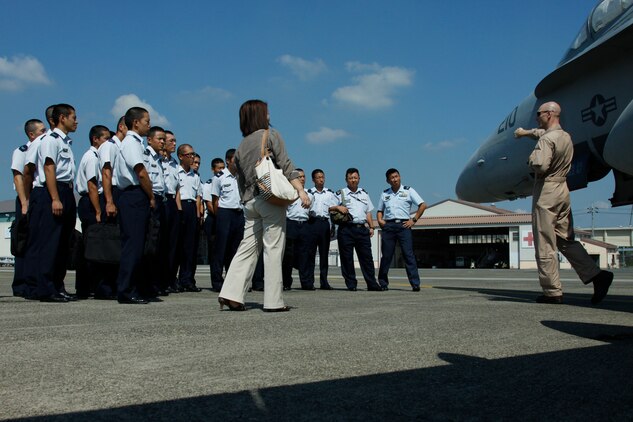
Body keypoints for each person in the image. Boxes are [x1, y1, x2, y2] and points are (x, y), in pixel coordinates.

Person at [514, 101, 613, 304]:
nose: (537, 117)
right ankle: (597, 275)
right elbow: (541, 133)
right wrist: (524, 133)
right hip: (563, 190)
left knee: (544, 242)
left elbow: (540, 165)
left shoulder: (546, 141)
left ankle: (552, 291)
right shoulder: (564, 136)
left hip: (547, 191)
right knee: (566, 239)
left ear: (549, 114)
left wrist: (530, 159)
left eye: (540, 114)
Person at [218, 99, 310, 312]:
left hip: (250, 202)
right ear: (260, 115)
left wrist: (246, 199)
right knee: (273, 248)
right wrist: (301, 190)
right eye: (266, 112)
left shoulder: (242, 145)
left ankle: (230, 294)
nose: (269, 115)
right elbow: (286, 165)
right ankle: (273, 301)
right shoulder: (271, 135)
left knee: (246, 248)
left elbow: (239, 176)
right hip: (269, 199)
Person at [23, 104, 78, 302]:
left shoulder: (65, 142)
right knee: (50, 243)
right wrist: (55, 198)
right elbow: (48, 168)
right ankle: (46, 289)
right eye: (73, 117)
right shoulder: (50, 140)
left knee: (63, 243)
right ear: (62, 118)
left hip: (66, 190)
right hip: (52, 191)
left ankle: (57, 286)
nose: (76, 121)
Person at [113, 107, 155, 304]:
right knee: (133, 244)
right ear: (136, 122)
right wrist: (151, 195)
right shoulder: (131, 142)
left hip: (137, 196)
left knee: (140, 244)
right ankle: (126, 289)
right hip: (134, 195)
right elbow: (141, 172)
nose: (149, 125)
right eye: (147, 121)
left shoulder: (136, 142)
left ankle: (135, 287)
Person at [330, 168, 384, 291]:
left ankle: (372, 284)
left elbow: (368, 212)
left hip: (361, 229)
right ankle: (351, 284)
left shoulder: (364, 193)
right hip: (346, 229)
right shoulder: (340, 193)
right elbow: (329, 208)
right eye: (350, 178)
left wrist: (371, 226)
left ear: (359, 178)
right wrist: (338, 207)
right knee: (347, 258)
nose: (353, 180)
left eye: (355, 177)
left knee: (367, 258)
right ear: (346, 179)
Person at [10, 119, 46, 297]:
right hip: (25, 198)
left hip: (36, 198)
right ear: (31, 134)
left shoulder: (41, 148)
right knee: (23, 241)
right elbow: (18, 177)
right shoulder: (21, 151)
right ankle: (21, 284)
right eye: (41, 131)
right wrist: (25, 202)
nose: (44, 133)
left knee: (36, 241)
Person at [376, 168, 426, 291]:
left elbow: (423, 205)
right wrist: (380, 221)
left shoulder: (409, 191)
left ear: (400, 177)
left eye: (396, 176)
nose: (395, 179)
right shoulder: (385, 193)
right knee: (386, 256)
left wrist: (413, 220)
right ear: (388, 180)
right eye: (392, 178)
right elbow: (379, 211)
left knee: (408, 255)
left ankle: (415, 283)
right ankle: (383, 283)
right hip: (389, 226)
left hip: (404, 226)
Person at [76, 125, 110, 298]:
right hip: (91, 201)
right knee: (92, 245)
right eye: (105, 138)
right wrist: (98, 210)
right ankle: (87, 286)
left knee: (98, 246)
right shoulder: (91, 157)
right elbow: (92, 185)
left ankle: (94, 285)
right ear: (96, 139)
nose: (108, 142)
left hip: (96, 199)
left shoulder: (99, 156)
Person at [210, 150, 245, 292]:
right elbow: (215, 200)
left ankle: (232, 281)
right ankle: (217, 281)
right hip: (225, 213)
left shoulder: (241, 177)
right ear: (228, 161)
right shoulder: (219, 177)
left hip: (239, 213)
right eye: (235, 160)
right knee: (221, 249)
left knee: (235, 250)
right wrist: (220, 217)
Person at [141, 126, 168, 301]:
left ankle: (154, 283)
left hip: (160, 199)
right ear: (149, 140)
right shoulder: (145, 155)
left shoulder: (159, 159)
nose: (163, 142)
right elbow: (145, 177)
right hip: (150, 198)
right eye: (160, 139)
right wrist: (151, 197)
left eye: (164, 139)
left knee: (158, 243)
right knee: (148, 243)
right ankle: (145, 284)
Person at [176, 143, 202, 292]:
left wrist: (198, 215)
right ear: (181, 156)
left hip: (192, 208)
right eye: (189, 154)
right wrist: (179, 211)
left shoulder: (195, 176)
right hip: (180, 207)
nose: (192, 157)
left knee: (191, 247)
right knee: (178, 246)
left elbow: (198, 196)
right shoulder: (176, 172)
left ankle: (188, 279)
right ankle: (176, 279)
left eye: (193, 154)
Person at [306, 169, 338, 290]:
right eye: (318, 177)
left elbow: (333, 210)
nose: (321, 179)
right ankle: (309, 281)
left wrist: (333, 226)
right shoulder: (309, 193)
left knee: (324, 254)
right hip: (312, 222)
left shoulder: (329, 193)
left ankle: (324, 281)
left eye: (322, 177)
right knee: (311, 253)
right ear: (313, 180)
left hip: (325, 224)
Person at [282, 169, 313, 290]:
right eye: (299, 177)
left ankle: (306, 283)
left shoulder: (310, 195)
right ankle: (286, 282)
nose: (302, 179)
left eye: (303, 176)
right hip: (291, 224)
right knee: (288, 255)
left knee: (305, 254)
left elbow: (311, 211)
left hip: (304, 224)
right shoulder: (290, 193)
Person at [161, 130, 181, 293]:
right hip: (161, 199)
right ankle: (158, 280)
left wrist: (179, 209)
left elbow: (178, 189)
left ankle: (170, 278)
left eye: (175, 141)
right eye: (170, 141)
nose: (174, 144)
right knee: (160, 242)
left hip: (173, 202)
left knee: (173, 244)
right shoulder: (157, 160)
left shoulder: (175, 163)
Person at [202, 157, 225, 291]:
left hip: (225, 218)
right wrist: (221, 216)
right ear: (213, 169)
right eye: (218, 168)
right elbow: (210, 204)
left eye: (223, 168)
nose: (221, 171)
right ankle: (216, 282)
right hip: (214, 218)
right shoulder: (209, 184)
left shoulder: (227, 181)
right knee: (215, 253)